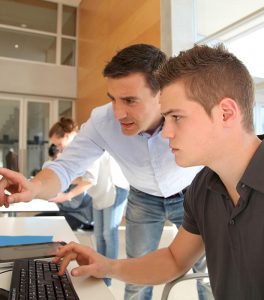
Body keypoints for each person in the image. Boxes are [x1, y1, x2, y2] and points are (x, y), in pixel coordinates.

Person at [51, 44, 264, 300]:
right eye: (165, 118)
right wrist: (108, 266)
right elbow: (173, 259)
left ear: (226, 113)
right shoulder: (205, 185)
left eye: (176, 117)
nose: (167, 132)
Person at [0, 44, 203, 300]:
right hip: (143, 198)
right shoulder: (102, 121)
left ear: (161, 93)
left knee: (206, 273)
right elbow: (65, 166)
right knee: (136, 276)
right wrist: (35, 188)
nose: (118, 113)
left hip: (192, 194)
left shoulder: (187, 114)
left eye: (130, 100)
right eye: (112, 99)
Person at [44, 118, 98, 230]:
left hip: (81, 212)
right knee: (37, 222)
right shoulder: (70, 152)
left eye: (58, 144)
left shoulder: (84, 147)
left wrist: (66, 196)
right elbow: (74, 177)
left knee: (47, 226)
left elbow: (89, 180)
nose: (57, 148)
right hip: (70, 208)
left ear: (67, 136)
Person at [89, 151, 129, 287]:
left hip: (114, 187)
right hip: (99, 190)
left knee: (109, 233)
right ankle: (101, 271)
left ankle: (108, 276)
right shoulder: (83, 147)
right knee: (99, 234)